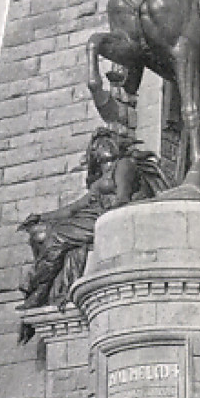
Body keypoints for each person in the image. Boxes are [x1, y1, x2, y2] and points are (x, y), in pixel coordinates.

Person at [17, 128, 168, 341]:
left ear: (116, 144)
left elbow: (123, 196)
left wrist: (109, 216)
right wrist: (42, 217)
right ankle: (38, 291)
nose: (101, 147)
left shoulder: (124, 165)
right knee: (40, 234)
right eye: (96, 145)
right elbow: (73, 208)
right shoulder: (101, 179)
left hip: (109, 216)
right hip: (93, 217)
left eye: (106, 142)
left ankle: (37, 293)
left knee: (55, 238)